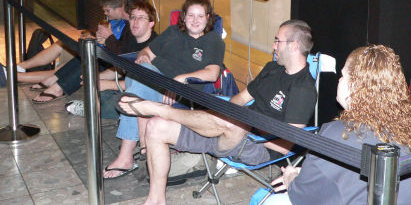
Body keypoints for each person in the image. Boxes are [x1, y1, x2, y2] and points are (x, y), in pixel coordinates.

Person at [116, 19, 318, 204]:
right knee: (155, 126)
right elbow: (238, 100)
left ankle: (159, 108)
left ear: (294, 46)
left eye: (278, 41)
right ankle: (156, 200)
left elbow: (287, 144)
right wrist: (219, 110)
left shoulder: (303, 88)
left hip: (257, 147)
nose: (274, 46)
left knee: (236, 121)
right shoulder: (272, 69)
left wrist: (251, 132)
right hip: (224, 132)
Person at [264, 44, 411, 205]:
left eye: (343, 76)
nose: (339, 81)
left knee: (272, 202)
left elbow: (304, 196)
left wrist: (291, 179)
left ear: (356, 85)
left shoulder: (338, 133)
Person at [103, 0, 226, 179]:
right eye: (191, 15)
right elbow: (147, 51)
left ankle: (127, 155)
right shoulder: (173, 32)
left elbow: (212, 73)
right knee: (139, 71)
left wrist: (179, 80)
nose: (195, 20)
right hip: (154, 81)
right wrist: (144, 55)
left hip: (182, 92)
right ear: (184, 16)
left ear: (208, 18)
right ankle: (141, 142)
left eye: (200, 16)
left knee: (133, 90)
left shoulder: (213, 40)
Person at [31, 0, 134, 103]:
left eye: (107, 11)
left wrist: (107, 39)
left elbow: (122, 51)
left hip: (116, 63)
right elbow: (115, 45)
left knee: (91, 58)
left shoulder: (129, 26)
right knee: (85, 53)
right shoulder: (117, 22)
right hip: (112, 57)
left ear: (120, 8)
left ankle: (58, 88)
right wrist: (98, 39)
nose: (105, 13)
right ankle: (55, 80)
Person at [65, 0, 158, 119]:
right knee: (96, 88)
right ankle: (93, 108)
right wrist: (95, 77)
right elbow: (121, 67)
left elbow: (144, 83)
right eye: (133, 17)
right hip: (126, 86)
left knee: (114, 103)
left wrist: (109, 84)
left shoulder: (155, 45)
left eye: (141, 18)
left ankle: (91, 109)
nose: (135, 22)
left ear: (151, 23)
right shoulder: (131, 38)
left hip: (145, 92)